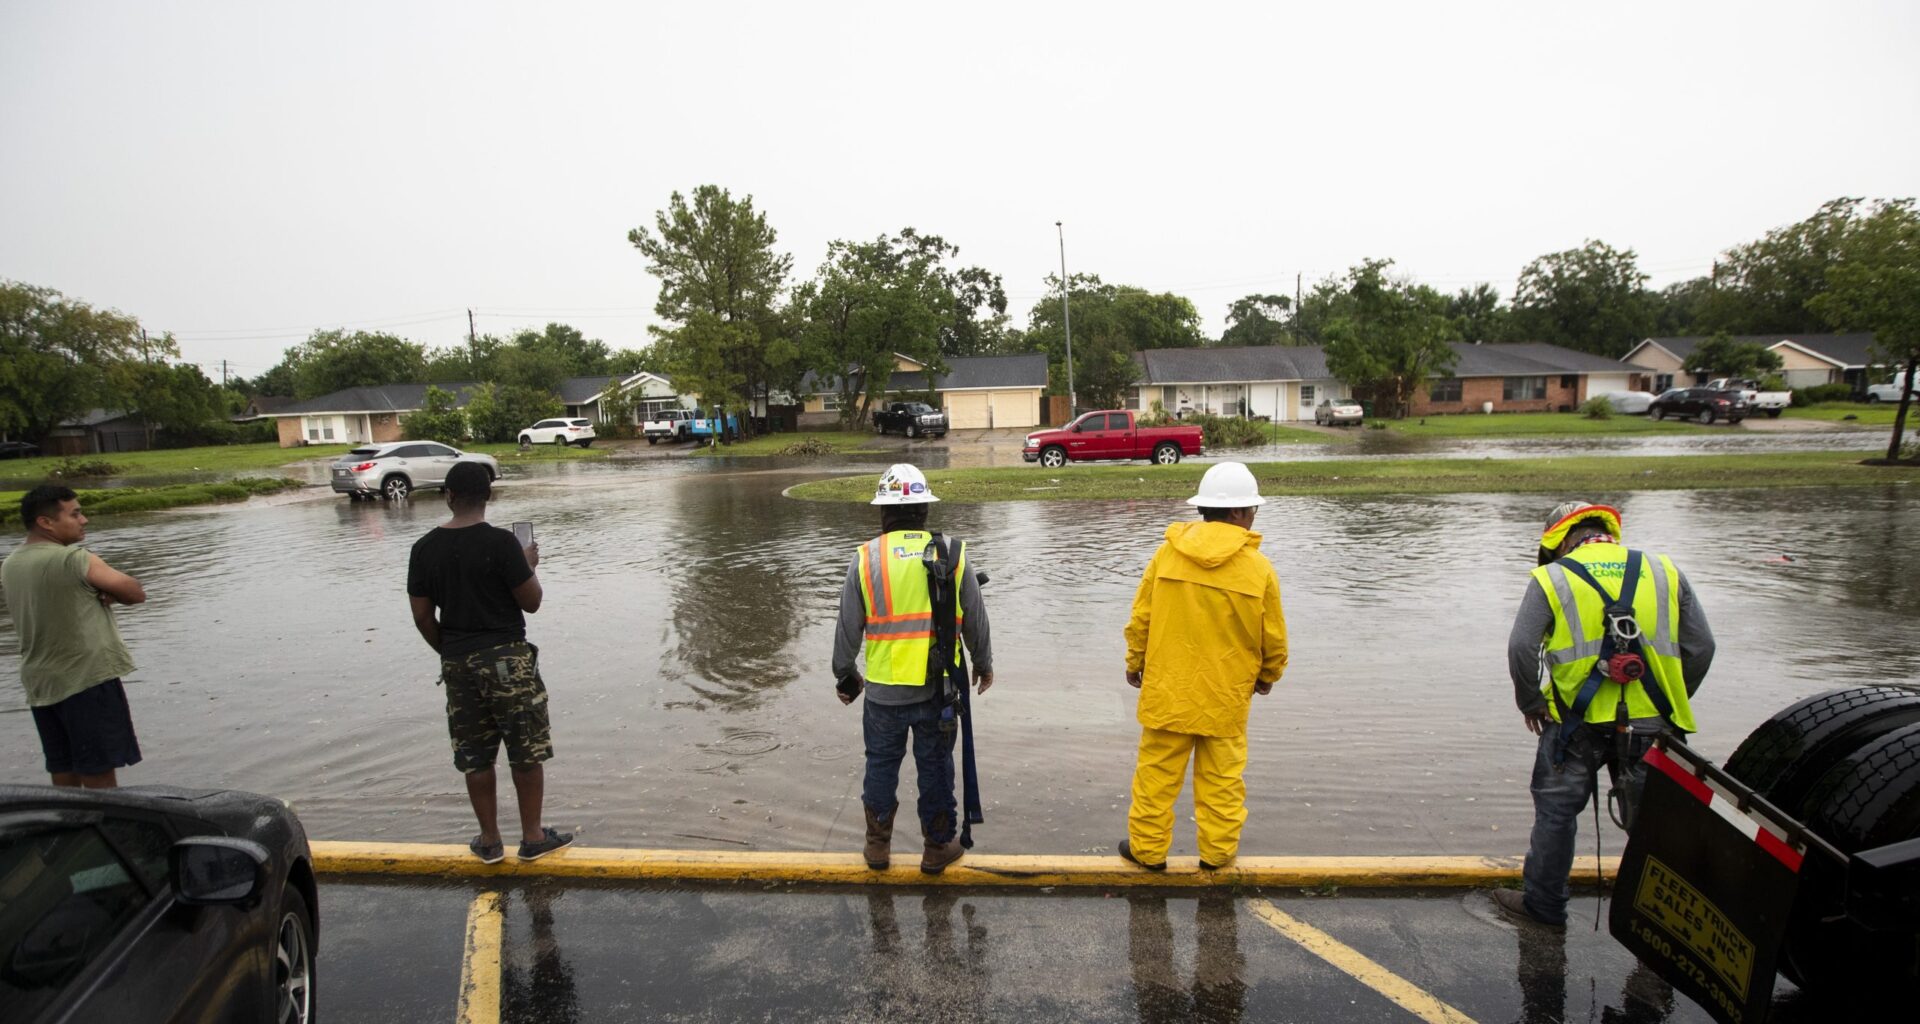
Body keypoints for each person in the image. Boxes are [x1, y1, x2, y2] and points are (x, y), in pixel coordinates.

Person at [1496, 501, 1715, 928]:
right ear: (1608, 532)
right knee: (1655, 823)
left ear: (1558, 542)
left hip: (1573, 726)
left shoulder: (1552, 577)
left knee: (1557, 815)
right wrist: (1670, 701)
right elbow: (1702, 647)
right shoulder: (1665, 570)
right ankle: (1663, 921)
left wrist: (1531, 702)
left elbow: (1522, 648)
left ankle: (1544, 907)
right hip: (1654, 726)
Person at [1119, 462, 1288, 871]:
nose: (1253, 518)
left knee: (1156, 777)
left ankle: (1147, 851)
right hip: (1225, 695)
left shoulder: (1166, 554)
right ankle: (1217, 854)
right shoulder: (1258, 567)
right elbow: (1274, 638)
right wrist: (1267, 676)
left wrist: (1135, 662)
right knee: (1223, 780)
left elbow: (1142, 616)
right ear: (1235, 513)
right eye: (1251, 510)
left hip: (1168, 689)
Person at [407, 461, 572, 863]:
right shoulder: (502, 545)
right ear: (488, 496)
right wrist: (526, 564)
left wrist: (450, 652)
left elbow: (422, 617)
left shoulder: (424, 548)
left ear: (447, 496)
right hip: (507, 659)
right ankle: (533, 837)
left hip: (458, 662)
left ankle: (489, 840)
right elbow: (531, 603)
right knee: (525, 749)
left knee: (475, 755)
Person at [832, 463, 993, 874]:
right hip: (937, 693)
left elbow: (847, 630)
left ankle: (876, 847)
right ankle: (938, 847)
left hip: (883, 694)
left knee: (880, 766)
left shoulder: (864, 559)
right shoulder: (953, 554)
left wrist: (845, 675)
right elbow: (975, 618)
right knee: (936, 768)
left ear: (883, 512)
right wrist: (983, 664)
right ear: (923, 509)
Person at [2, 485, 147, 788]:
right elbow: (134, 592)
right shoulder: (75, 559)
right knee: (98, 769)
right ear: (46, 522)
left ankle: (68, 829)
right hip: (85, 678)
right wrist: (110, 590)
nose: (84, 520)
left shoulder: (11, 563)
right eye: (75, 513)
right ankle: (106, 828)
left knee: (63, 767)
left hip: (42, 682)